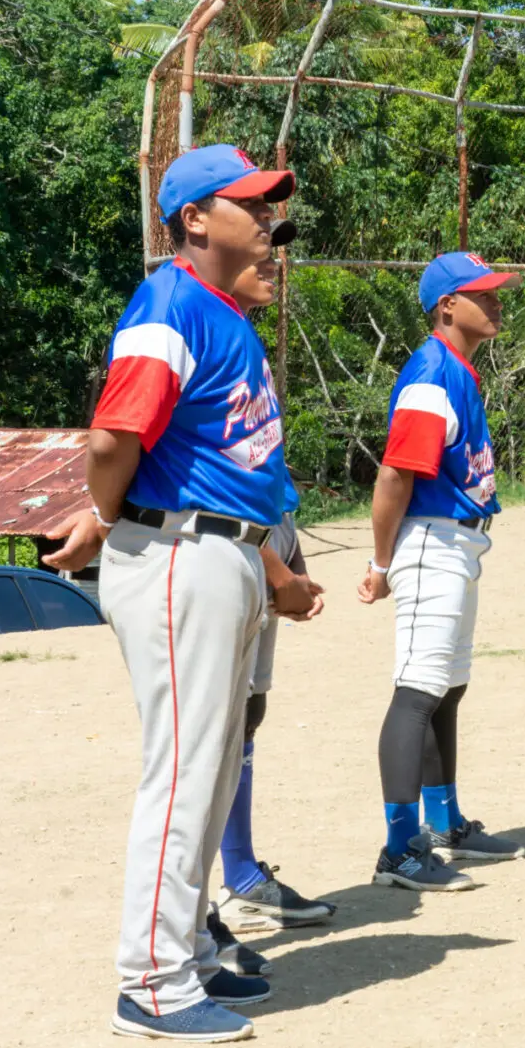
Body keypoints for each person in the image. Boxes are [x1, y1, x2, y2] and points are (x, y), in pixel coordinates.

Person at [45, 144, 317, 1042]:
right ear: (195, 218)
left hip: (220, 553)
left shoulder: (223, 313)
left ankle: (189, 954)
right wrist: (114, 514)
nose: (270, 222)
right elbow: (110, 439)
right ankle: (151, 982)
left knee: (210, 768)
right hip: (176, 553)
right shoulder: (170, 303)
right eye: (251, 204)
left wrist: (272, 570)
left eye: (271, 206)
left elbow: (220, 465)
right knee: (186, 774)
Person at [360, 250, 525, 888]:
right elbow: (395, 476)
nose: (496, 301)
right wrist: (380, 563)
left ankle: (444, 822)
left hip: (458, 542)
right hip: (431, 542)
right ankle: (400, 847)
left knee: (448, 686)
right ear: (446, 305)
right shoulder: (432, 374)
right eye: (482, 293)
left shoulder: (457, 370)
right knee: (418, 691)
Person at [210, 233, 334, 975]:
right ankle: (205, 908)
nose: (274, 260)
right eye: (258, 244)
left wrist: (287, 545)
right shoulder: (193, 327)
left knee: (248, 714)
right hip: (226, 551)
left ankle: (243, 874)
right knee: (212, 732)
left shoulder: (243, 337)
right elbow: (197, 478)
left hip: (267, 532)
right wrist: (266, 560)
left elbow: (258, 458)